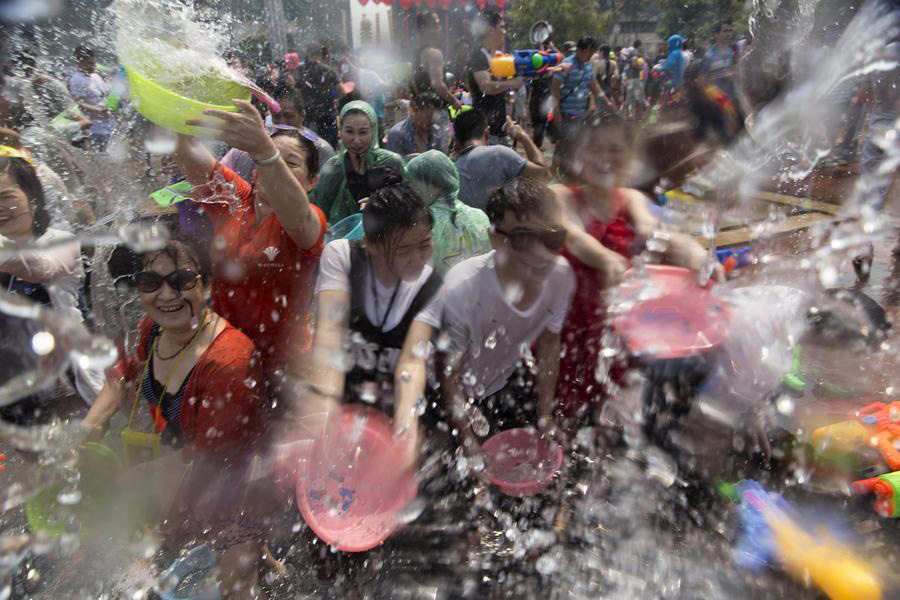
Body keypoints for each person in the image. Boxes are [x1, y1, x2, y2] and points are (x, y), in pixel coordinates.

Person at [83, 236, 266, 599]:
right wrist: (92, 423)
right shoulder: (153, 331)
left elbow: (211, 459)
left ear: (208, 285)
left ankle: (260, 559)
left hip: (234, 484)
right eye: (151, 283)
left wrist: (131, 481)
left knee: (235, 590)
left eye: (182, 280)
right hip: (176, 464)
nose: (166, 295)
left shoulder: (229, 361)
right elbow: (126, 374)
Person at [551, 108, 722, 424]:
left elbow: (655, 230)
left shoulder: (631, 198)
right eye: (595, 148)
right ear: (578, 155)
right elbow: (572, 235)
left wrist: (696, 255)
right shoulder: (560, 197)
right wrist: (603, 258)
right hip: (570, 327)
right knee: (569, 416)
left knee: (614, 414)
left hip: (618, 332)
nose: (605, 157)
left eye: (615, 149)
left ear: (629, 157)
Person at [173, 98, 326, 379]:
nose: (272, 168)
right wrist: (179, 106)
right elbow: (187, 152)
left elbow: (298, 217)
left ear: (312, 180)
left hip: (285, 369)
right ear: (255, 167)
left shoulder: (309, 219)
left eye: (289, 163)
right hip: (225, 356)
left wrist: (265, 151)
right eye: (265, 161)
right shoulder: (235, 199)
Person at [428, 177, 575, 457]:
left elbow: (549, 346)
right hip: (443, 391)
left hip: (499, 382)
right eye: (523, 239)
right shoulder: (463, 289)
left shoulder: (560, 276)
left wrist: (546, 416)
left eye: (552, 238)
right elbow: (447, 375)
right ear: (494, 238)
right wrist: (468, 443)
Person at [305, 173, 442, 465]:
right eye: (404, 250)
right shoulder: (342, 257)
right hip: (346, 398)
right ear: (372, 245)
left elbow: (412, 362)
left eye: (425, 244)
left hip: (393, 404)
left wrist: (406, 427)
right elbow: (330, 334)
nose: (419, 258)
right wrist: (326, 409)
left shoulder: (431, 285)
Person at [0, 145, 102, 420]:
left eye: (7, 197)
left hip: (65, 380)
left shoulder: (59, 241)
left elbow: (41, 270)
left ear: (32, 198)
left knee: (77, 453)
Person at [310, 100, 406, 225]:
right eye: (349, 131)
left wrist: (382, 205)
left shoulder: (390, 162)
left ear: (374, 131)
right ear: (340, 131)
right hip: (344, 241)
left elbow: (409, 204)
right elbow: (318, 211)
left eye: (363, 132)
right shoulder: (333, 169)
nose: (356, 140)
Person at [221, 85, 334, 182]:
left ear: (302, 115)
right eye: (276, 116)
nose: (282, 122)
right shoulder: (254, 144)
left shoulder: (321, 149)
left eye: (289, 116)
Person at [406, 150, 491, 275]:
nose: (412, 190)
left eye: (414, 183)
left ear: (435, 183)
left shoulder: (424, 223)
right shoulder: (479, 216)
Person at [453, 109, 548, 210]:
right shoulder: (498, 154)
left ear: (457, 142)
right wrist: (522, 136)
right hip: (498, 224)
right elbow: (543, 175)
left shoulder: (453, 169)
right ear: (487, 133)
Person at [467, 7, 524, 143]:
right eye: (502, 27)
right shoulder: (479, 56)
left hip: (501, 130)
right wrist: (513, 83)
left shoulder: (498, 57)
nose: (504, 32)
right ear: (491, 30)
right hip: (485, 132)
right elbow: (486, 87)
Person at [295, 43, 345, 148]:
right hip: (327, 115)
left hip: (309, 116)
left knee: (311, 148)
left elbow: (296, 92)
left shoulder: (301, 70)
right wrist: (333, 98)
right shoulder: (328, 71)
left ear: (308, 54)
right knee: (329, 148)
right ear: (319, 54)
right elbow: (342, 91)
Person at [66, 45, 114, 151]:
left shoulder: (95, 76)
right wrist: (99, 110)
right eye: (90, 64)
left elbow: (105, 95)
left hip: (108, 126)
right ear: (80, 62)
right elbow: (76, 103)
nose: (93, 66)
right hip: (95, 129)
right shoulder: (77, 80)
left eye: (94, 63)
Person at [552, 36, 607, 127]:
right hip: (566, 114)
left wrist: (608, 103)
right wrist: (556, 113)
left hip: (583, 114)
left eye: (592, 53)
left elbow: (595, 87)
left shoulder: (588, 65)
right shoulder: (566, 65)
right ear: (578, 50)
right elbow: (555, 89)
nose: (589, 55)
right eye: (587, 52)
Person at [412, 12, 462, 111]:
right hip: (436, 111)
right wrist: (454, 101)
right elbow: (437, 85)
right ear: (424, 29)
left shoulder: (417, 53)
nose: (439, 28)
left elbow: (414, 83)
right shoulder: (434, 53)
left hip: (421, 112)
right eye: (435, 24)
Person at [385, 93, 448, 157]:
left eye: (435, 117)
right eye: (428, 116)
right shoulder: (397, 134)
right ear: (414, 111)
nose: (432, 121)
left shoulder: (436, 131)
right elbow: (396, 165)